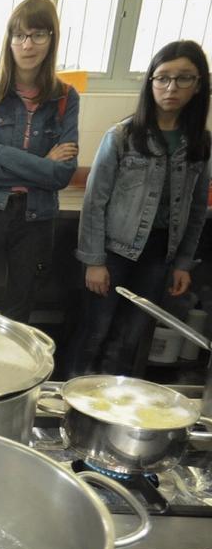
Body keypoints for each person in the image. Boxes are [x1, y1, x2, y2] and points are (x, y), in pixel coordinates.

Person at [67, 41, 210, 377]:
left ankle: (112, 411)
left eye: (183, 78)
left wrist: (184, 263)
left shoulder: (200, 143)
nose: (171, 88)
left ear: (198, 84)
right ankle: (71, 403)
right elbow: (95, 200)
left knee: (129, 340)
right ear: (150, 83)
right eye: (162, 78)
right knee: (94, 333)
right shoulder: (122, 135)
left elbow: (197, 207)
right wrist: (94, 261)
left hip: (160, 258)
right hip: (114, 254)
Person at [0, 0, 80, 323]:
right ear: (8, 41)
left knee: (20, 310)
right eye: (19, 35)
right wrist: (42, 165)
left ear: (52, 39)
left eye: (39, 34)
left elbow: (61, 175)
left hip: (36, 217)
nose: (28, 45)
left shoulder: (66, 97)